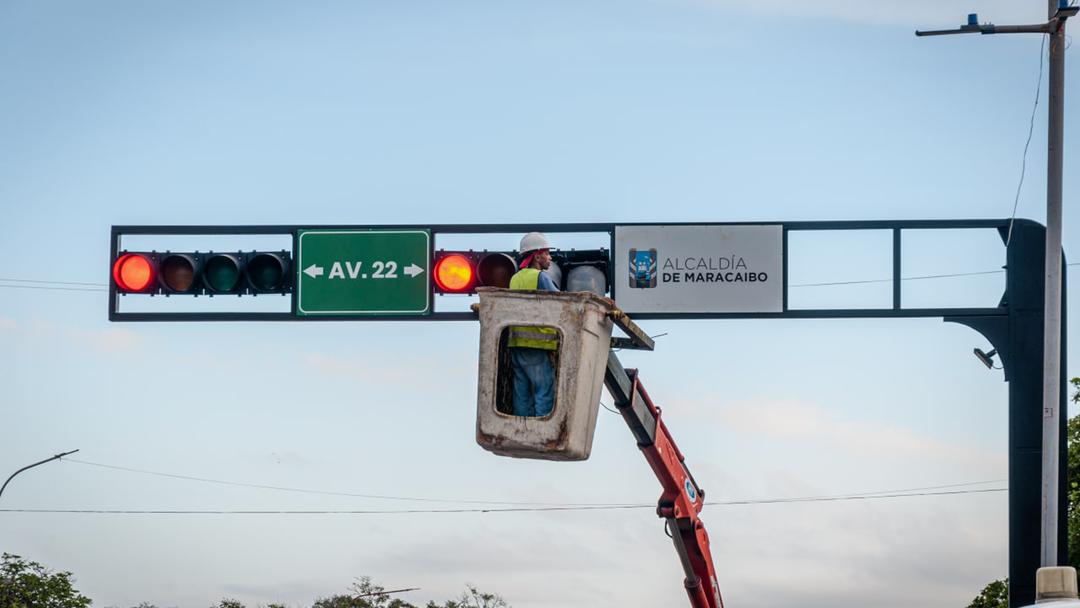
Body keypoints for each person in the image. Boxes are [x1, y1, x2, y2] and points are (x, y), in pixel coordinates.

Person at [507, 232, 560, 417]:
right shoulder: (541, 278)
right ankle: (542, 428)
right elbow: (562, 304)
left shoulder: (515, 279)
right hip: (537, 344)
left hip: (516, 344)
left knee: (522, 392)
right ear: (537, 257)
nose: (550, 257)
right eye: (547, 253)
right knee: (543, 390)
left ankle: (523, 428)